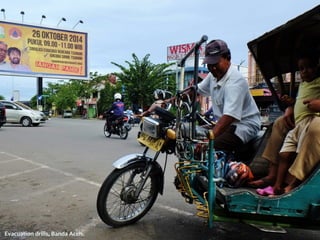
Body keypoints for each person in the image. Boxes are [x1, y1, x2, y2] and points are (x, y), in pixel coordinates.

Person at [248, 49, 320, 196]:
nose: (305, 72)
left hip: (311, 120)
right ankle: (272, 176)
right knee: (280, 122)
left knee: (314, 128)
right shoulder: (304, 84)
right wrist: (291, 106)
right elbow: (301, 101)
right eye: (302, 69)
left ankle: (293, 184)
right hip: (300, 121)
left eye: (309, 67)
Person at [195, 39, 261, 152]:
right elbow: (197, 90)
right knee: (193, 136)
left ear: (227, 58)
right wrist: (172, 100)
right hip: (229, 126)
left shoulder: (235, 81)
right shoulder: (213, 76)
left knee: (208, 147)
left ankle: (216, 169)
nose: (213, 68)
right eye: (209, 65)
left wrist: (210, 139)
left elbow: (229, 116)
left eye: (215, 63)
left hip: (243, 126)